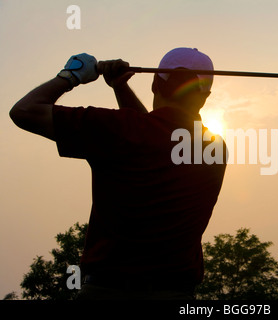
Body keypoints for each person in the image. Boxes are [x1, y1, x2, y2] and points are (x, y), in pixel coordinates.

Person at [9, 48, 227, 300]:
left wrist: (72, 74)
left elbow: (24, 111)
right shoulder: (214, 149)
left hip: (106, 293)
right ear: (205, 97)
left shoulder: (115, 129)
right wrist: (119, 88)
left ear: (155, 83)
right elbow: (155, 135)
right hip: (176, 294)